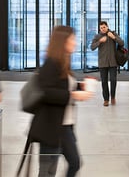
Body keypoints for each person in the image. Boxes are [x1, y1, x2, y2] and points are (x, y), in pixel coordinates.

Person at [28, 26, 93, 177]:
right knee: (48, 171)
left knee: (72, 163)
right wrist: (73, 95)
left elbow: (61, 85)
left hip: (64, 125)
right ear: (62, 41)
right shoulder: (51, 63)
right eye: (72, 39)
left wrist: (79, 85)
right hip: (51, 125)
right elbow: (46, 92)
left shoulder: (63, 62)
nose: (75, 43)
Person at [90, 21, 124, 106]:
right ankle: (106, 99)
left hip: (113, 62)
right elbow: (92, 47)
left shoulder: (112, 34)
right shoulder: (97, 36)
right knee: (104, 81)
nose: (103, 29)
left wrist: (114, 38)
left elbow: (122, 43)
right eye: (101, 28)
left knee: (113, 80)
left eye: (104, 27)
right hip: (102, 62)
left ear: (107, 27)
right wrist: (100, 41)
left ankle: (113, 97)